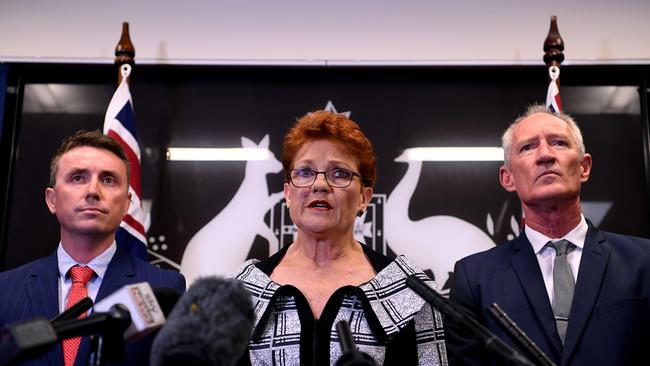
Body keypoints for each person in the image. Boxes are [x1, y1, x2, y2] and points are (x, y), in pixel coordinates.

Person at [235, 110, 447, 366]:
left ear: (364, 198)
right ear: (288, 194)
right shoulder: (243, 290)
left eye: (340, 173)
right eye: (304, 172)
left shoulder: (410, 291)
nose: (320, 185)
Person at [445, 104, 650, 366]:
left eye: (559, 143)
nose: (545, 155)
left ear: (584, 166)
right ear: (508, 178)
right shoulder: (474, 278)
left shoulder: (643, 261)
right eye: (528, 147)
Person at [0, 130, 186, 366]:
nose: (92, 191)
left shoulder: (163, 289)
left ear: (127, 204)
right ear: (52, 199)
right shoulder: (4, 290)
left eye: (108, 180)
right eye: (78, 177)